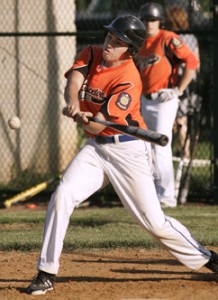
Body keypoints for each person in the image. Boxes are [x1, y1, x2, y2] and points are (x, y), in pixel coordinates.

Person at [26, 14, 218, 296]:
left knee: (154, 223)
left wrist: (84, 119)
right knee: (62, 194)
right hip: (97, 148)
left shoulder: (129, 78)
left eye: (118, 42)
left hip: (128, 150)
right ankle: (46, 272)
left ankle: (209, 259)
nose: (109, 44)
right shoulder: (91, 53)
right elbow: (73, 82)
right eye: (109, 37)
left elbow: (95, 122)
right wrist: (72, 105)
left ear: (130, 49)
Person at [135, 2, 199, 208]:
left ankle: (167, 197)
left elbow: (192, 62)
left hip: (165, 99)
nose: (149, 23)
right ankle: (154, 194)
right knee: (146, 147)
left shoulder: (167, 38)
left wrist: (178, 90)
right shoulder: (139, 41)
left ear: (160, 21)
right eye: (146, 20)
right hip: (145, 99)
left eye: (153, 19)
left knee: (161, 144)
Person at [165, 5, 202, 159]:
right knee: (182, 117)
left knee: (177, 117)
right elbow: (197, 62)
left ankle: (183, 151)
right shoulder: (191, 37)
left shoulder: (171, 37)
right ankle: (182, 150)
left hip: (177, 80)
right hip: (191, 79)